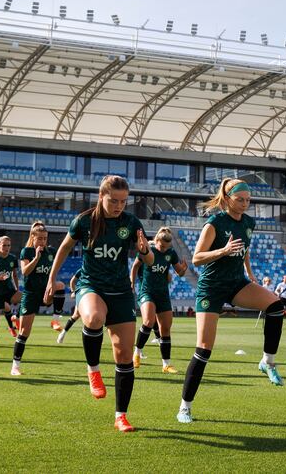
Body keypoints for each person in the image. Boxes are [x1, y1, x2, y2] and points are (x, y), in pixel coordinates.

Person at [44, 175, 153, 432]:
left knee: (124, 355)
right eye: (113, 200)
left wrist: (146, 251)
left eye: (123, 201)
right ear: (101, 196)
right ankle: (93, 370)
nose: (118, 206)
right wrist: (52, 278)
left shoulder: (131, 223)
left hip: (121, 292)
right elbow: (64, 248)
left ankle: (121, 416)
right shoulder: (84, 221)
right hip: (91, 285)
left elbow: (147, 261)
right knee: (92, 318)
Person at [177, 178, 286, 424]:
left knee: (276, 306)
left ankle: (267, 362)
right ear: (227, 199)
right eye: (240, 200)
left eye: (248, 200)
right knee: (204, 348)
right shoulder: (214, 222)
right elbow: (196, 258)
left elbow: (244, 249)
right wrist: (222, 252)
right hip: (211, 287)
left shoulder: (249, 223)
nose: (245, 204)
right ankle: (185, 407)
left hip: (237, 283)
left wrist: (250, 273)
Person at [130, 226, 188, 373]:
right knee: (148, 321)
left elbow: (179, 273)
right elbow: (135, 266)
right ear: (156, 241)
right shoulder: (148, 250)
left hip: (163, 294)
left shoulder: (170, 253)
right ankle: (136, 353)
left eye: (166, 246)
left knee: (166, 329)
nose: (164, 249)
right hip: (147, 292)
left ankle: (166, 365)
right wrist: (131, 282)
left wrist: (183, 269)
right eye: (161, 246)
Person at [11, 221, 61, 376]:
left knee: (60, 285)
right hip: (31, 294)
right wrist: (37, 258)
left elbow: (53, 271)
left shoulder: (51, 251)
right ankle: (15, 366)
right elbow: (25, 272)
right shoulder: (26, 252)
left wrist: (51, 284)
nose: (43, 241)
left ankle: (55, 319)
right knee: (24, 331)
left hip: (45, 292)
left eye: (45, 238)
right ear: (32, 238)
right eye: (39, 238)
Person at [56, 269, 83, 344]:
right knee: (76, 315)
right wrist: (73, 291)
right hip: (82, 292)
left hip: (97, 292)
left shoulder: (100, 269)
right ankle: (62, 333)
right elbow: (72, 281)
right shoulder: (83, 269)